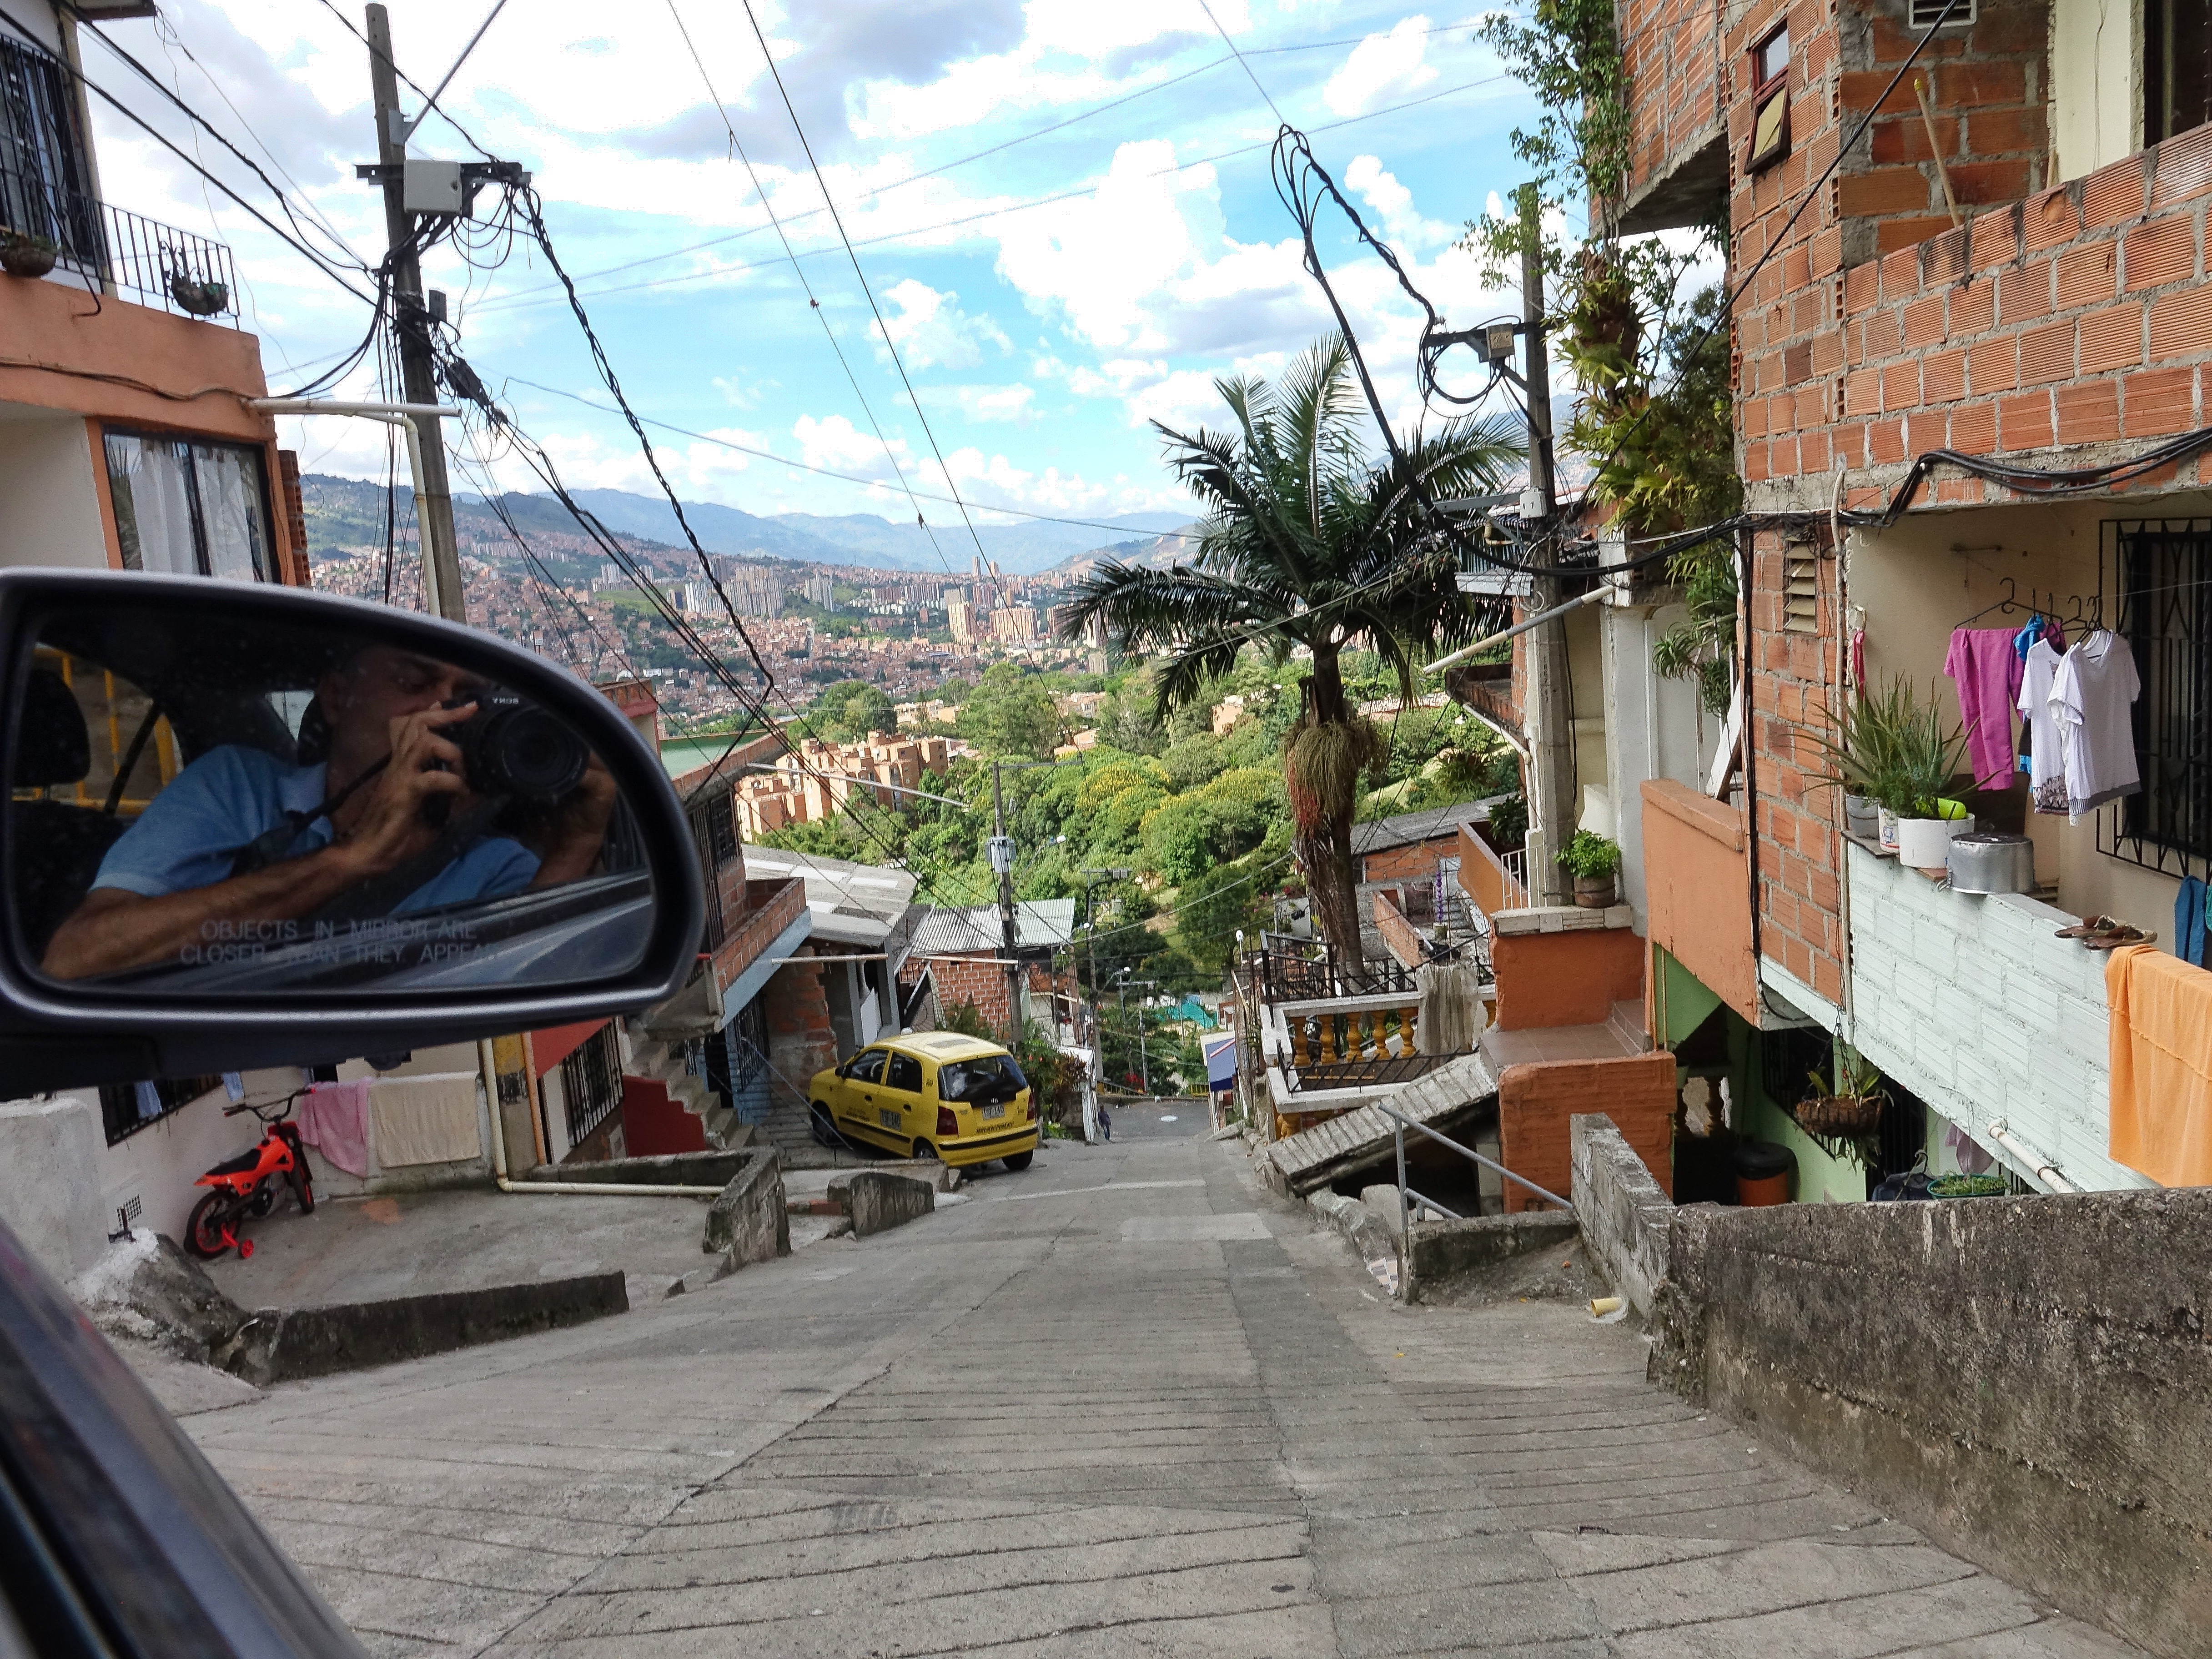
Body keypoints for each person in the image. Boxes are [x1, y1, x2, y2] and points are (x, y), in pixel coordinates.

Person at [41, 643, 615, 980]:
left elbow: (534, 989)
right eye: (413, 682)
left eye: (467, 697)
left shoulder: (494, 867)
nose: (441, 707)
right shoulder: (237, 787)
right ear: (337, 698)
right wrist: (348, 861)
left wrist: (576, 844)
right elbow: (76, 957)